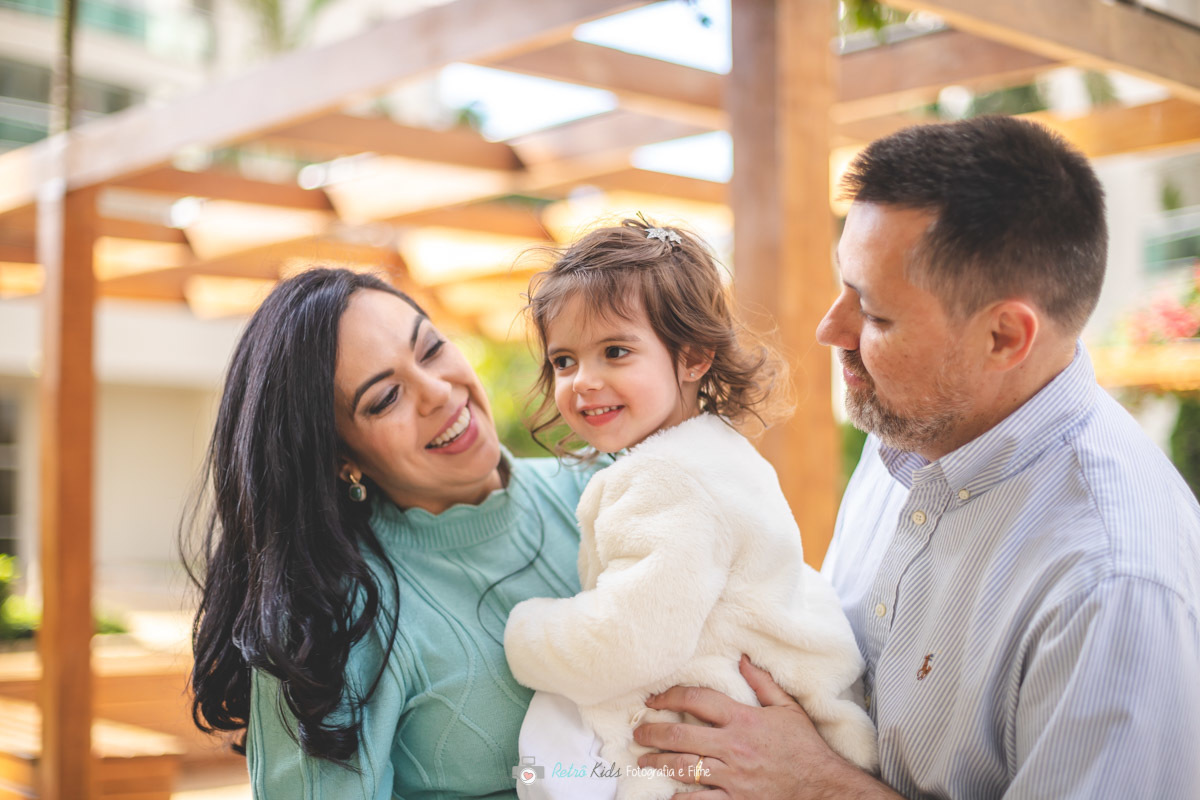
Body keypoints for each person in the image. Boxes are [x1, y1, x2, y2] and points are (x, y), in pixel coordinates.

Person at [632, 116, 1200, 799]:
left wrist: (817, 786)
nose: (828, 328)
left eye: (875, 316)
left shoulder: (1113, 584)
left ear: (1003, 336)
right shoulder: (909, 427)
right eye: (844, 286)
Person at [185, 268, 603, 798]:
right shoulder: (331, 623)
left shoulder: (609, 491)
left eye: (430, 350)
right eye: (384, 398)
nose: (437, 392)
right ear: (341, 459)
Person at [502, 218, 877, 800]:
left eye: (615, 351)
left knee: (549, 752)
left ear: (694, 358)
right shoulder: (715, 452)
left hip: (712, 728)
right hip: (742, 697)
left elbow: (627, 643)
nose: (583, 381)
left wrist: (526, 631)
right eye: (564, 361)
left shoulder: (666, 478)